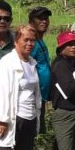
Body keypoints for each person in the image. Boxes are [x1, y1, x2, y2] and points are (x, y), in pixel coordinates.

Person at [28, 7, 53, 136]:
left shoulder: (40, 40)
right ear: (31, 21)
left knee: (39, 133)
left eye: (46, 18)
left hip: (41, 97)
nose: (44, 21)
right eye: (40, 18)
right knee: (33, 134)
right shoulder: (31, 42)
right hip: (33, 98)